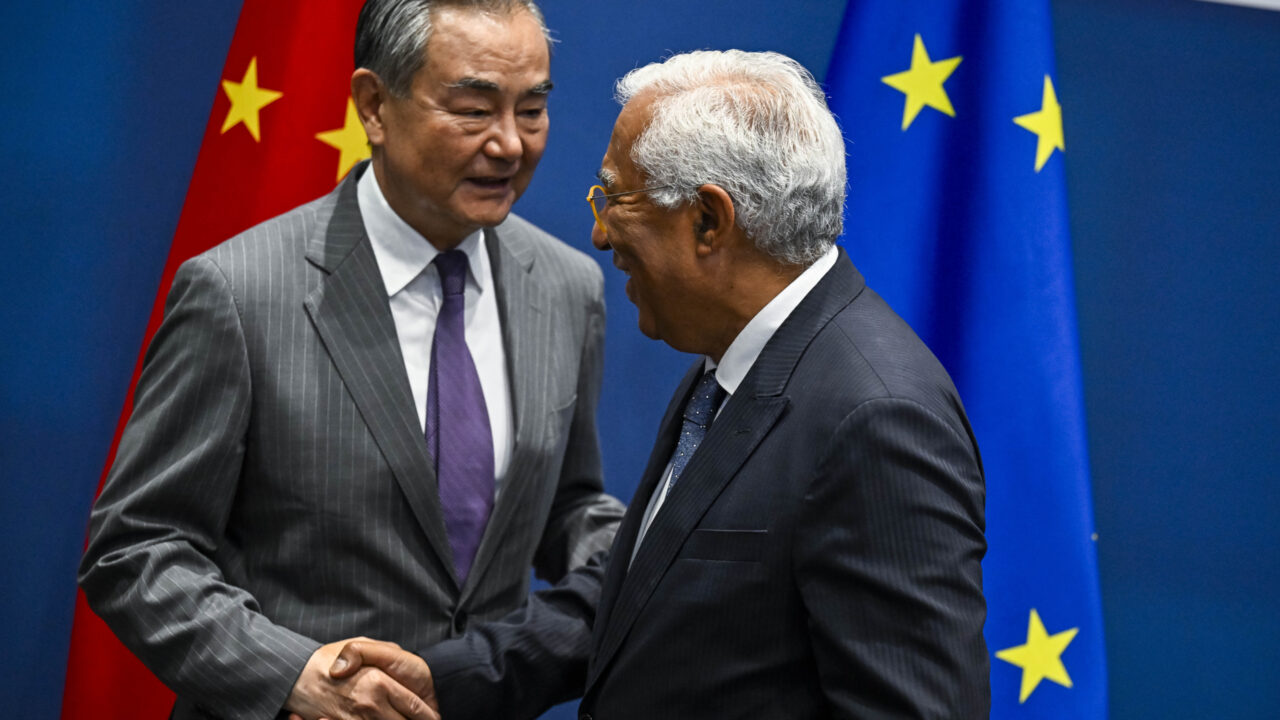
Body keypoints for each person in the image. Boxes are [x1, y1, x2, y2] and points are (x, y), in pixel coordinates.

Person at [334, 48, 990, 719]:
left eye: (616, 197)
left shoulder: (876, 417)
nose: (599, 233)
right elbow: (649, 582)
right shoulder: (733, 365)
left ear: (709, 220)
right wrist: (444, 679)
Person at [77, 1, 623, 719]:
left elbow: (565, 504)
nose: (510, 145)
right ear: (374, 106)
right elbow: (136, 547)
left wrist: (657, 549)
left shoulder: (567, 285)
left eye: (532, 110)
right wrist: (293, 675)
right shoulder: (240, 292)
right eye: (473, 110)